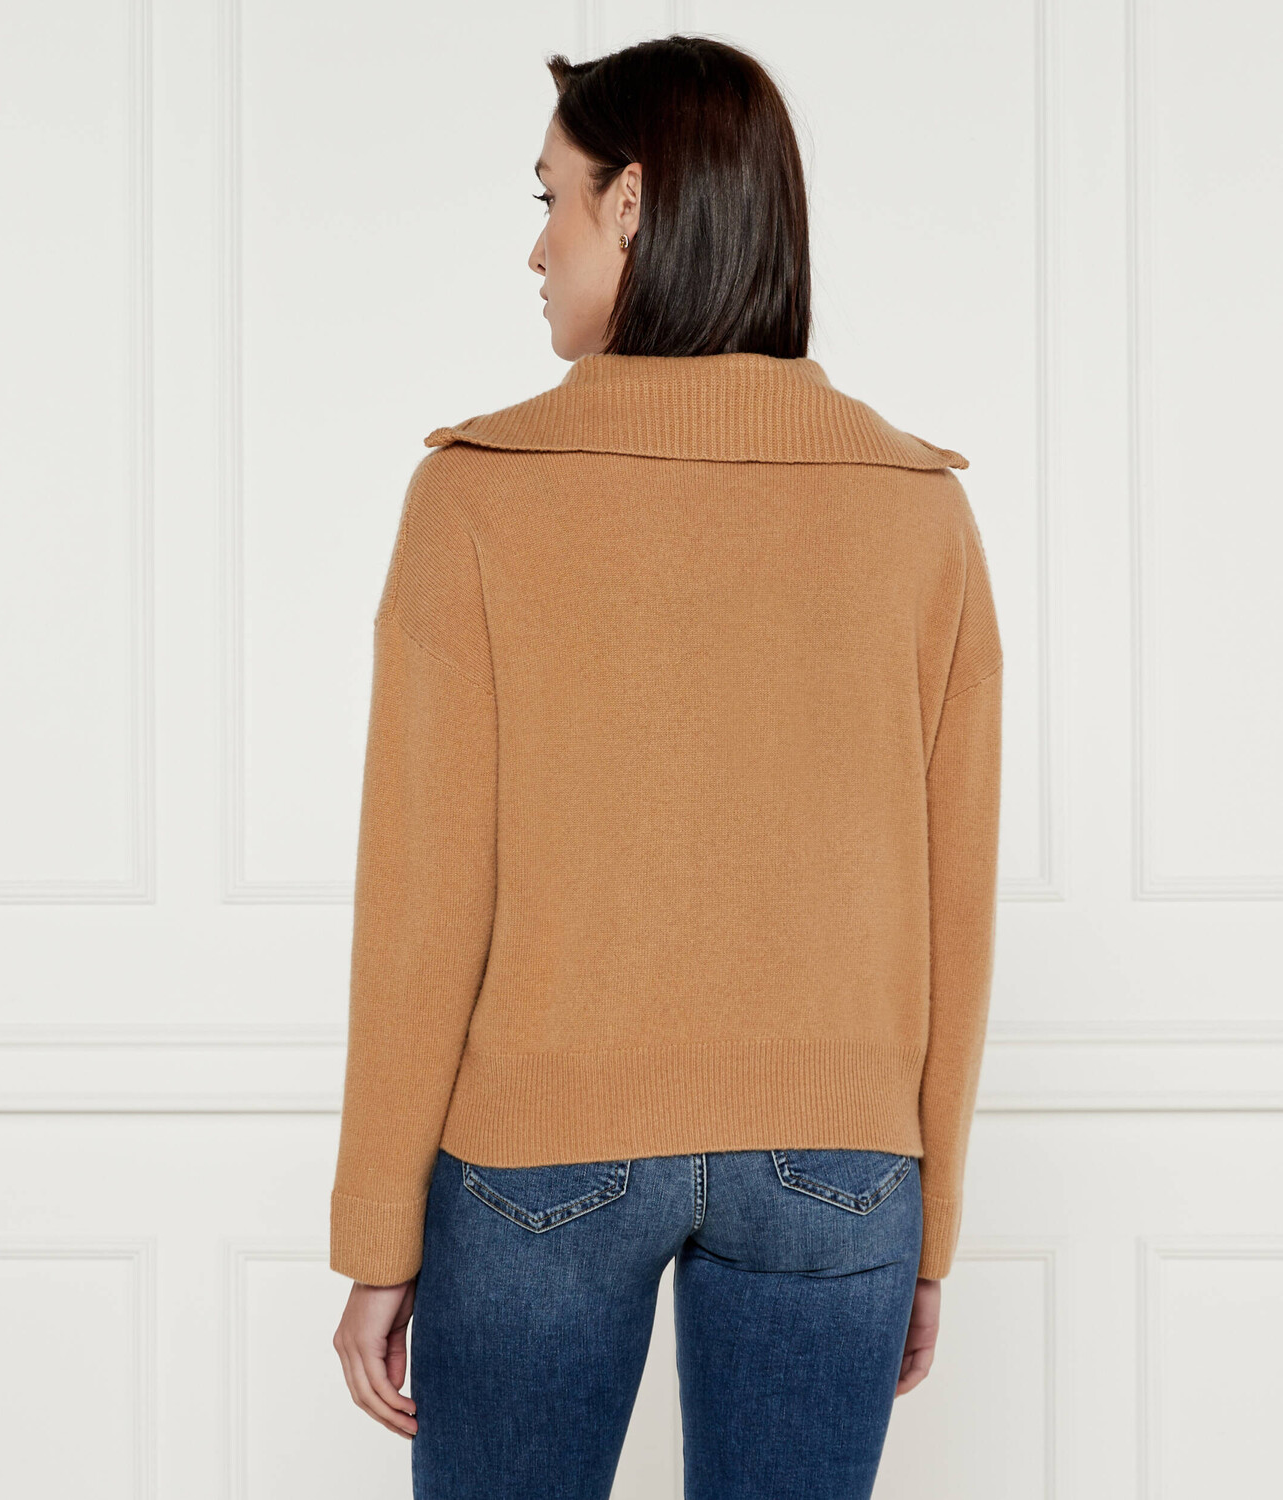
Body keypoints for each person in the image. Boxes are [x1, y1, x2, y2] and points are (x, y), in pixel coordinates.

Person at [329, 32, 1002, 1500]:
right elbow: (956, 907)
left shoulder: (476, 501)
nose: (536, 249)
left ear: (629, 203)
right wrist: (928, 1220)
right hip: (841, 1168)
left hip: (539, 1155)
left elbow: (422, 901)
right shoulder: (920, 513)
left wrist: (378, 1233)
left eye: (550, 198)